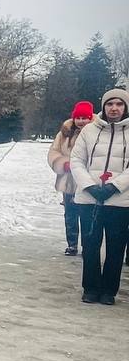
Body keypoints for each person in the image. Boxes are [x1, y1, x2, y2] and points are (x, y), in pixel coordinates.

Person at [69, 87, 129, 305]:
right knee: (90, 245)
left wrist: (115, 186)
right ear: (103, 106)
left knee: (116, 248)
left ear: (125, 107)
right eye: (110, 104)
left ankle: (109, 291)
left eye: (119, 104)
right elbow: (77, 160)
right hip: (90, 199)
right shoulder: (89, 130)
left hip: (120, 200)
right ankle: (91, 288)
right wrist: (89, 185)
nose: (114, 108)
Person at [48, 101, 94, 255]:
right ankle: (72, 244)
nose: (81, 121)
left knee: (88, 215)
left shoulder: (97, 132)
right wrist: (63, 163)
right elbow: (54, 151)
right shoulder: (65, 133)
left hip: (89, 180)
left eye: (85, 118)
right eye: (78, 117)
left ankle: (88, 246)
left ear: (90, 118)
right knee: (70, 214)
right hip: (68, 180)